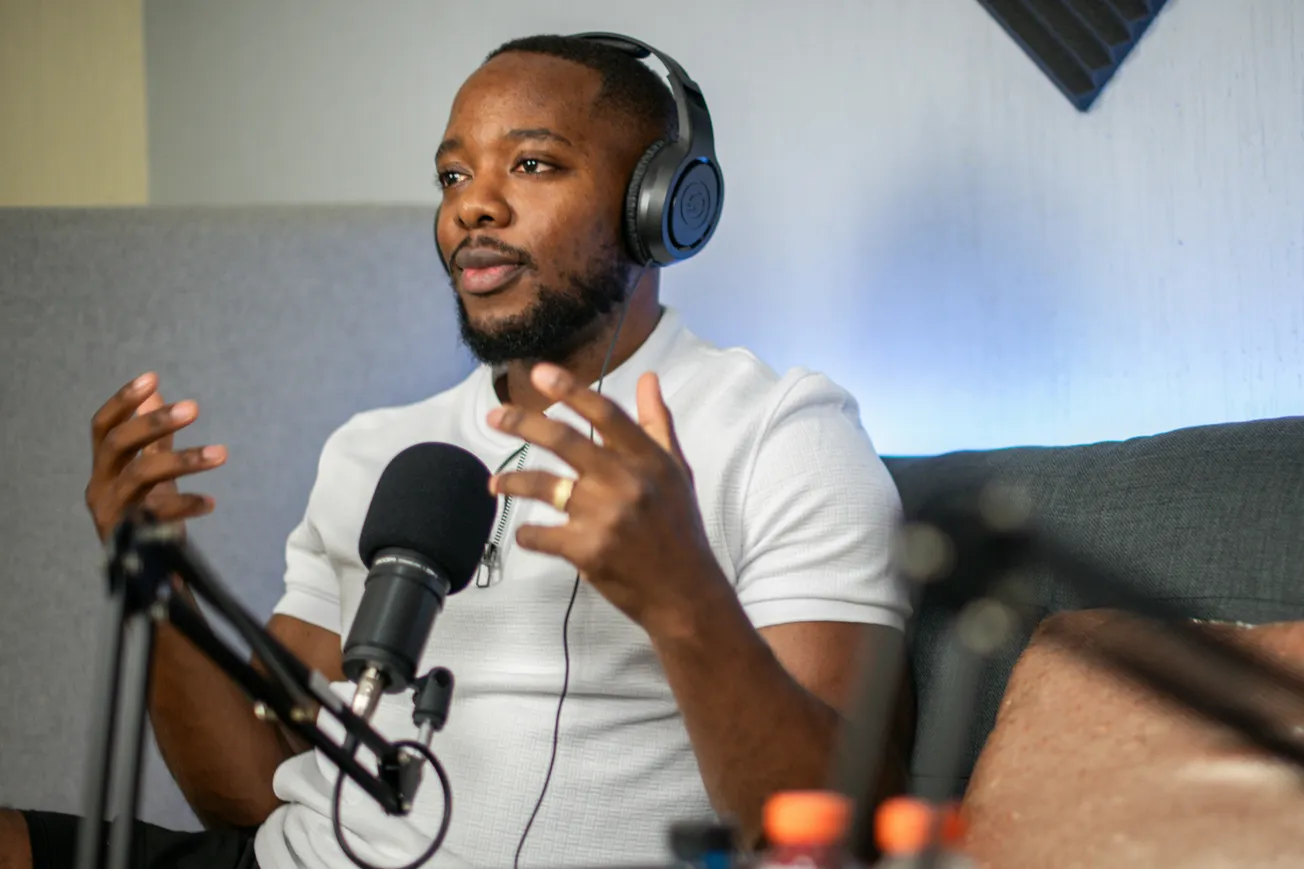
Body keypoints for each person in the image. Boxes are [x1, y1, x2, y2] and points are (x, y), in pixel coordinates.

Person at [0, 33, 912, 869]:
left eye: (532, 163)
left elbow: (834, 828)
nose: (473, 203)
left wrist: (682, 594)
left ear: (661, 204)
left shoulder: (784, 432)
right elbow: (246, 790)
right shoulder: (378, 449)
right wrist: (162, 580)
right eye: (450, 175)